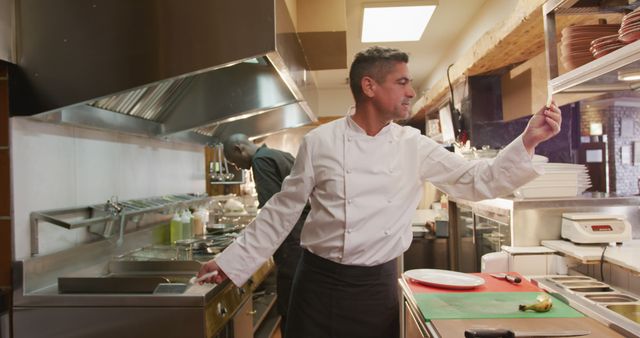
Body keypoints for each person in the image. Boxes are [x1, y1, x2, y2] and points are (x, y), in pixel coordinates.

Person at [198, 46, 562, 338]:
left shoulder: (413, 145)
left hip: (377, 290)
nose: (412, 92)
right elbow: (282, 210)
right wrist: (231, 263)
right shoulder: (320, 142)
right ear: (369, 86)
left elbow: (478, 180)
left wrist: (528, 140)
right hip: (319, 286)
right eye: (402, 82)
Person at [222, 133, 310, 334]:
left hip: (291, 241)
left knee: (290, 305)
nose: (236, 166)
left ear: (239, 149)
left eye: (232, 161)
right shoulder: (278, 154)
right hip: (303, 234)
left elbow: (272, 212)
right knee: (301, 303)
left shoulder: (260, 161)